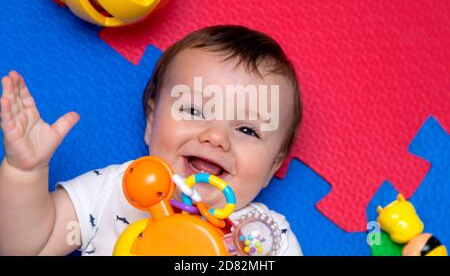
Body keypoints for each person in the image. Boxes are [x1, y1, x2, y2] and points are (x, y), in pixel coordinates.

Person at [0, 25, 303, 255]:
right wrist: (25, 172)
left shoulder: (268, 238)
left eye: (248, 130)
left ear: (273, 165)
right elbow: (26, 246)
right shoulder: (116, 189)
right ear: (151, 121)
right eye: (194, 110)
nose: (215, 137)